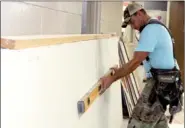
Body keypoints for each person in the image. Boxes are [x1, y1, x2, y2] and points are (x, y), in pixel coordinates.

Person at [99, 3, 183, 128]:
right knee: (157, 123)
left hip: (159, 85)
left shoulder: (150, 30)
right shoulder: (158, 27)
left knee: (136, 123)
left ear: (139, 13)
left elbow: (135, 62)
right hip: (168, 83)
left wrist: (111, 78)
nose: (132, 27)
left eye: (132, 22)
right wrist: (120, 72)